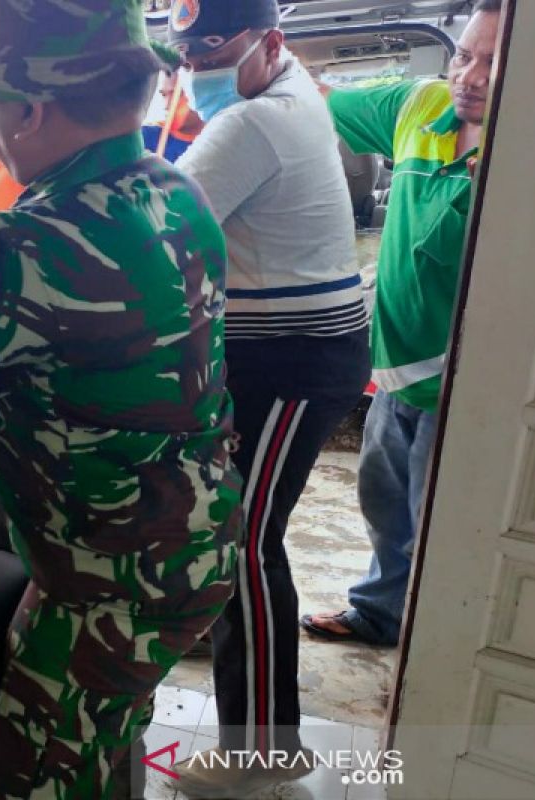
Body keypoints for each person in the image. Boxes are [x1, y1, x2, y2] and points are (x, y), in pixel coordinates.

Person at [0, 2, 242, 796]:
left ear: (26, 110)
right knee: (100, 739)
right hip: (187, 540)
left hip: (109, 579)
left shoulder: (20, 246)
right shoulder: (176, 190)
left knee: (21, 781)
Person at [164, 0, 372, 795]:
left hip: (291, 360)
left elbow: (155, 229)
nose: (196, 71)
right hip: (282, 352)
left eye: (213, 50)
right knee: (235, 534)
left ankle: (263, 747)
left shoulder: (252, 124)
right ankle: (230, 640)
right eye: (185, 56)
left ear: (271, 42)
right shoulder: (285, 93)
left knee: (243, 540)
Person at [301, 0, 502, 648]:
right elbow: (320, 97)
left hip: (469, 392)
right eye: (465, 55)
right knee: (386, 506)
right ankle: (381, 615)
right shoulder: (423, 108)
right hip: (396, 370)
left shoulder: (524, 165)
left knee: (446, 536)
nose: (469, 75)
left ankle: (435, 657)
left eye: (493, 63)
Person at [142, 68, 205, 162]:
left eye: (178, 95)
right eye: (164, 95)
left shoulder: (215, 139)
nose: (167, 105)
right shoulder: (145, 137)